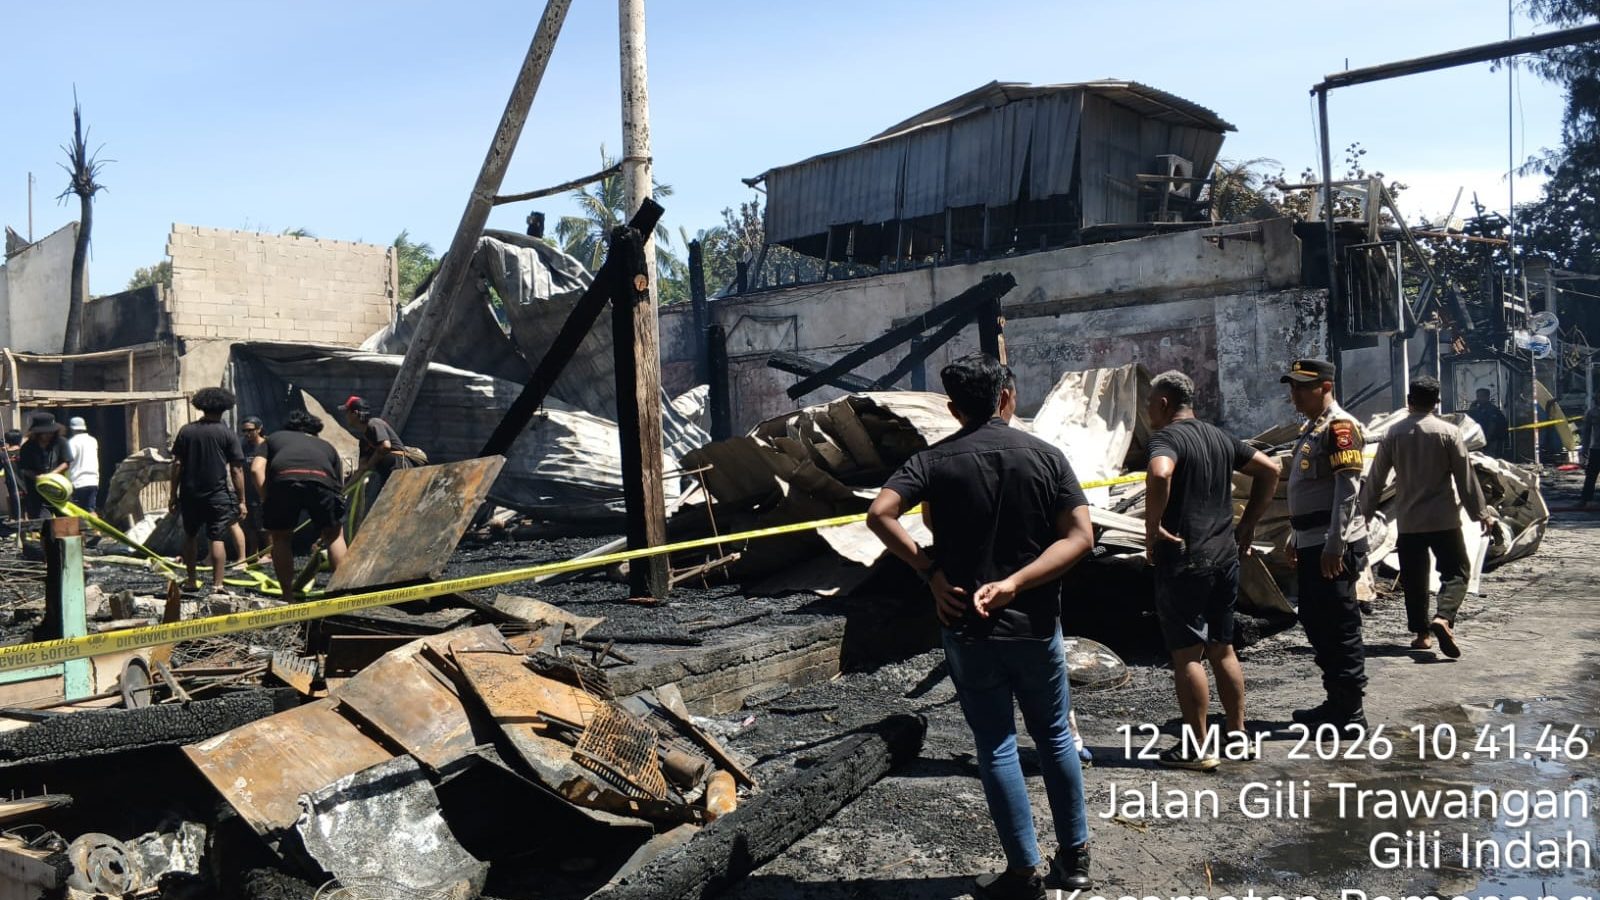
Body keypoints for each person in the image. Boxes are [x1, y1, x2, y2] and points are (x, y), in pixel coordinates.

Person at [866, 353, 1095, 899]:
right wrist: (1018, 584)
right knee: (1056, 736)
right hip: (1035, 624)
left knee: (994, 745)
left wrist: (929, 572)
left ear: (953, 407)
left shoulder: (933, 461)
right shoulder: (1046, 457)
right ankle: (1077, 860)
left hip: (966, 623)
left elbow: (879, 514)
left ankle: (1022, 872)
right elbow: (1080, 538)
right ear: (1007, 397)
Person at [1143, 371, 1281, 770]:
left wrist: (1152, 528)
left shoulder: (1166, 438)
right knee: (1223, 648)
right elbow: (1270, 469)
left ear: (1165, 404)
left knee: (1187, 655)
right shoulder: (1221, 437)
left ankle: (1196, 747)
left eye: (1151, 402)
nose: (1148, 409)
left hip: (1184, 558)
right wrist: (1249, 522)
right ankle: (1237, 737)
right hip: (1225, 556)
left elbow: (1160, 473)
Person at [1358, 376, 1491, 658]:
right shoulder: (1449, 432)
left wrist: (1365, 514)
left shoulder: (1393, 433)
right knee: (1456, 571)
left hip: (1409, 520)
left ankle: (1422, 635)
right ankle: (1444, 617)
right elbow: (1465, 477)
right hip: (1444, 519)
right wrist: (1480, 512)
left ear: (1409, 401)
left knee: (1414, 578)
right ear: (1437, 403)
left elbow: (1376, 479)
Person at [1282, 359, 1370, 731]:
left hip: (1333, 543)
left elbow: (1347, 489)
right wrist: (1295, 535)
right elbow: (1309, 492)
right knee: (1317, 621)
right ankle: (1335, 700)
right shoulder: (1313, 429)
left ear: (1326, 386)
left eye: (1303, 386)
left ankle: (1350, 711)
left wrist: (1335, 543)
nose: (1295, 394)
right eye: (1293, 387)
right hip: (1313, 539)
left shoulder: (1340, 427)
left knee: (1338, 623)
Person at [252, 410, 348, 598]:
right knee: (335, 536)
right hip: (322, 481)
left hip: (284, 481)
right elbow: (339, 485)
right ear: (315, 431)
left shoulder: (274, 439)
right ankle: (343, 593)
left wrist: (266, 498)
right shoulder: (326, 445)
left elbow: (256, 469)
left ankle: (288, 596)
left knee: (281, 538)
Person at [171, 388, 248, 592]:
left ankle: (190, 580)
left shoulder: (186, 431)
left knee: (190, 536)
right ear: (224, 408)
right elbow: (236, 469)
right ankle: (218, 584)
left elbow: (177, 464)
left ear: (201, 406)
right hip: (217, 494)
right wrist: (242, 500)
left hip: (190, 493)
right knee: (216, 537)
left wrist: (173, 494)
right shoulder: (227, 434)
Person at [343, 396, 413, 497]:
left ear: (355, 414)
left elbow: (385, 446)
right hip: (388, 475)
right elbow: (361, 469)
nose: (346, 416)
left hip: (400, 470)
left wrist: (370, 463)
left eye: (347, 412)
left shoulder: (374, 423)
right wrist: (343, 491)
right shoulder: (363, 442)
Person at [16, 413, 69, 521]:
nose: (48, 435)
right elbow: (25, 469)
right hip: (37, 494)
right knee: (45, 524)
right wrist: (38, 477)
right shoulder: (27, 447)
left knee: (66, 523)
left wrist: (51, 476)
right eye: (44, 433)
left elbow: (66, 462)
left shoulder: (61, 442)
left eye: (50, 432)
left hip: (58, 492)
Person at [240, 416, 268, 555]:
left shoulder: (266, 445)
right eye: (244, 431)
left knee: (265, 525)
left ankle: (269, 553)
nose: (247, 434)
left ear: (259, 429)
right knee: (250, 526)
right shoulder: (243, 447)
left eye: (250, 430)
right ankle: (253, 553)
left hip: (263, 490)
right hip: (248, 491)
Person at [66, 417, 101, 511]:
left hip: (78, 482)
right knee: (91, 510)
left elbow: (69, 460)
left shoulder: (72, 442)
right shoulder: (93, 440)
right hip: (93, 480)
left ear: (72, 429)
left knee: (76, 511)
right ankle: (95, 525)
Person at [1465, 388, 1509, 459]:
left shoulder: (1492, 409)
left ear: (1487, 397)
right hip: (1480, 439)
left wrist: (1487, 439)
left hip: (1491, 440)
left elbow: (1492, 425)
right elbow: (1468, 420)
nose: (1479, 398)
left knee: (1489, 458)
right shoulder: (1477, 409)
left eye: (1482, 396)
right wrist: (1471, 408)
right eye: (1478, 396)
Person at [1579, 399, 1600, 510]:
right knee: (1591, 475)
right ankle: (1585, 499)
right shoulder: (1592, 413)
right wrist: (1584, 450)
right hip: (1596, 448)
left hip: (1596, 448)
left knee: (1591, 475)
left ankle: (1585, 499)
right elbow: (1586, 433)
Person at [3, 429, 23, 528]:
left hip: (12, 486)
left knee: (17, 514)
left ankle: (21, 540)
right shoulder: (24, 452)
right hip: (26, 485)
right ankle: (30, 538)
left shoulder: (4, 455)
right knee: (28, 512)